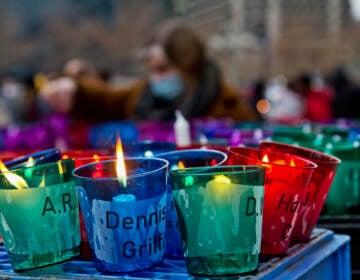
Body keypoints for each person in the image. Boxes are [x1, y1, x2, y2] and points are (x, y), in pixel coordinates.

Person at [40, 21, 257, 122]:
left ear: (188, 67)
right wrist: (75, 92)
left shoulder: (229, 108)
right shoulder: (142, 94)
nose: (156, 78)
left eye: (163, 69)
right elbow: (108, 101)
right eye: (152, 70)